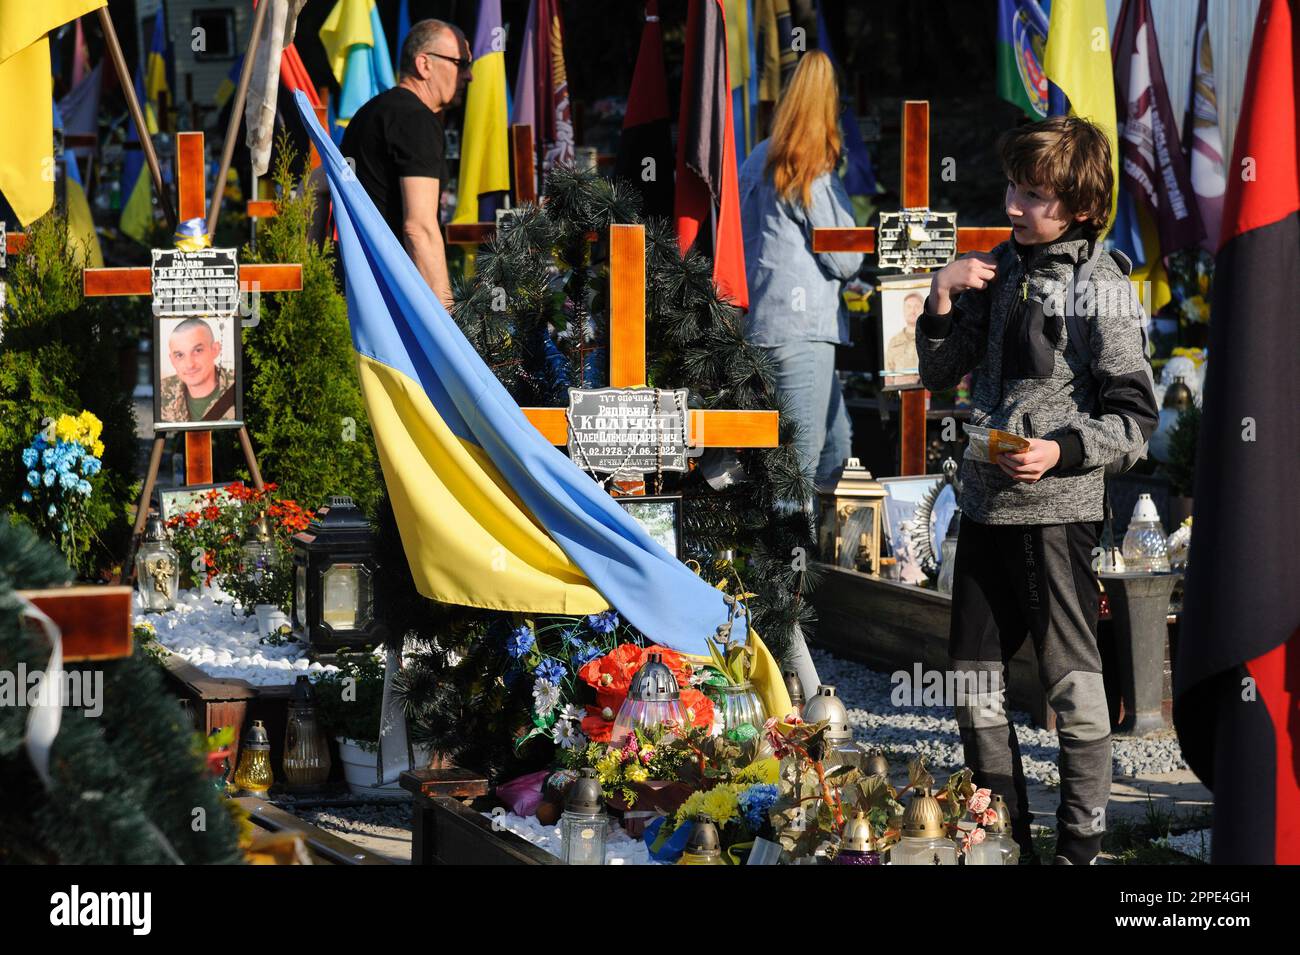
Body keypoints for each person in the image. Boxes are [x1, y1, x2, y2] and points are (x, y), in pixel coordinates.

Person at [917, 116, 1158, 865]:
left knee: (1074, 686)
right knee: (970, 683)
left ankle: (1080, 845)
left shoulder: (1105, 287)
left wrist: (1060, 449)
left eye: (1035, 195)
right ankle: (1004, 838)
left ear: (1082, 206)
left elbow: (1137, 419)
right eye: (1013, 188)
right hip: (985, 508)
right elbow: (936, 375)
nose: (1014, 205)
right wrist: (940, 295)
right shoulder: (999, 268)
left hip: (1059, 519)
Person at [739, 49, 864, 488]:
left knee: (835, 447)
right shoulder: (812, 167)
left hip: (761, 322)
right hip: (802, 330)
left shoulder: (758, 156)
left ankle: (826, 550)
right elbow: (845, 255)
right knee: (798, 470)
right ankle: (794, 556)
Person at [339, 19, 472, 308]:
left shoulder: (367, 114)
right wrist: (445, 322)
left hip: (357, 285)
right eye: (460, 63)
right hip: (392, 297)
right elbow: (419, 229)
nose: (469, 76)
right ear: (424, 64)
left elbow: (320, 184)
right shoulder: (416, 120)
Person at [159, 318, 236, 423]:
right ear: (172, 360)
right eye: (180, 355)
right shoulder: (163, 390)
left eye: (197, 351)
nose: (190, 364)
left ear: (215, 350)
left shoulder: (237, 384)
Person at [884, 292, 923, 387]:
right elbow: (887, 375)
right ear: (903, 310)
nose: (913, 311)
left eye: (917, 306)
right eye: (909, 307)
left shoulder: (930, 338)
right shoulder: (894, 341)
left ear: (923, 310)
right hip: (898, 393)